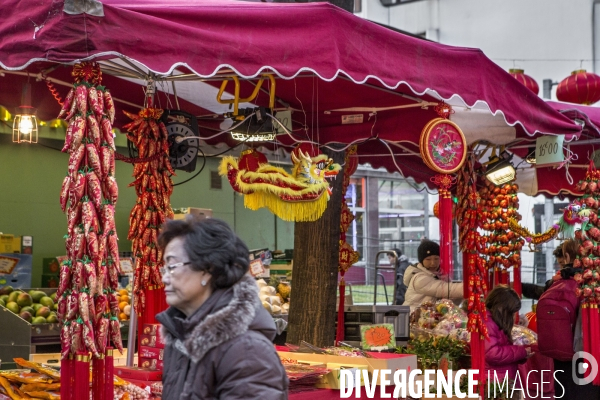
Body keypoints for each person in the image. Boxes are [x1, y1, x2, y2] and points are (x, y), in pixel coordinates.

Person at [156, 217, 289, 400]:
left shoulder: (246, 351)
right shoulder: (181, 336)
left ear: (207, 269)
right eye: (164, 268)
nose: (165, 278)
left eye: (172, 266)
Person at [543, 239, 600, 398]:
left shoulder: (557, 284)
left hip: (565, 357)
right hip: (591, 352)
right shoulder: (593, 281)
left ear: (567, 257)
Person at [484, 285, 532, 386]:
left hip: (503, 379)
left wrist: (522, 355)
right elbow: (493, 353)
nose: (513, 317)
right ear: (502, 308)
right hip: (496, 382)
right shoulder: (487, 323)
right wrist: (521, 351)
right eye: (511, 313)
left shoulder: (496, 321)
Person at [402, 240, 463, 308]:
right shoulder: (419, 278)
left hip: (429, 316)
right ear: (421, 261)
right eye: (428, 259)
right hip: (414, 316)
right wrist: (468, 287)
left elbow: (448, 300)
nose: (433, 263)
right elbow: (445, 289)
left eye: (436, 259)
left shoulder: (440, 275)